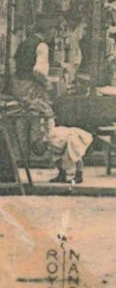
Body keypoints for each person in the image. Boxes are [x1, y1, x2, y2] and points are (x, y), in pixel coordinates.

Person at [10, 44, 93, 184]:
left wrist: (40, 114)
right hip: (53, 134)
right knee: (57, 157)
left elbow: (47, 120)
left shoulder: (46, 116)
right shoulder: (47, 134)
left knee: (74, 155)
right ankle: (62, 174)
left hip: (66, 136)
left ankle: (79, 174)